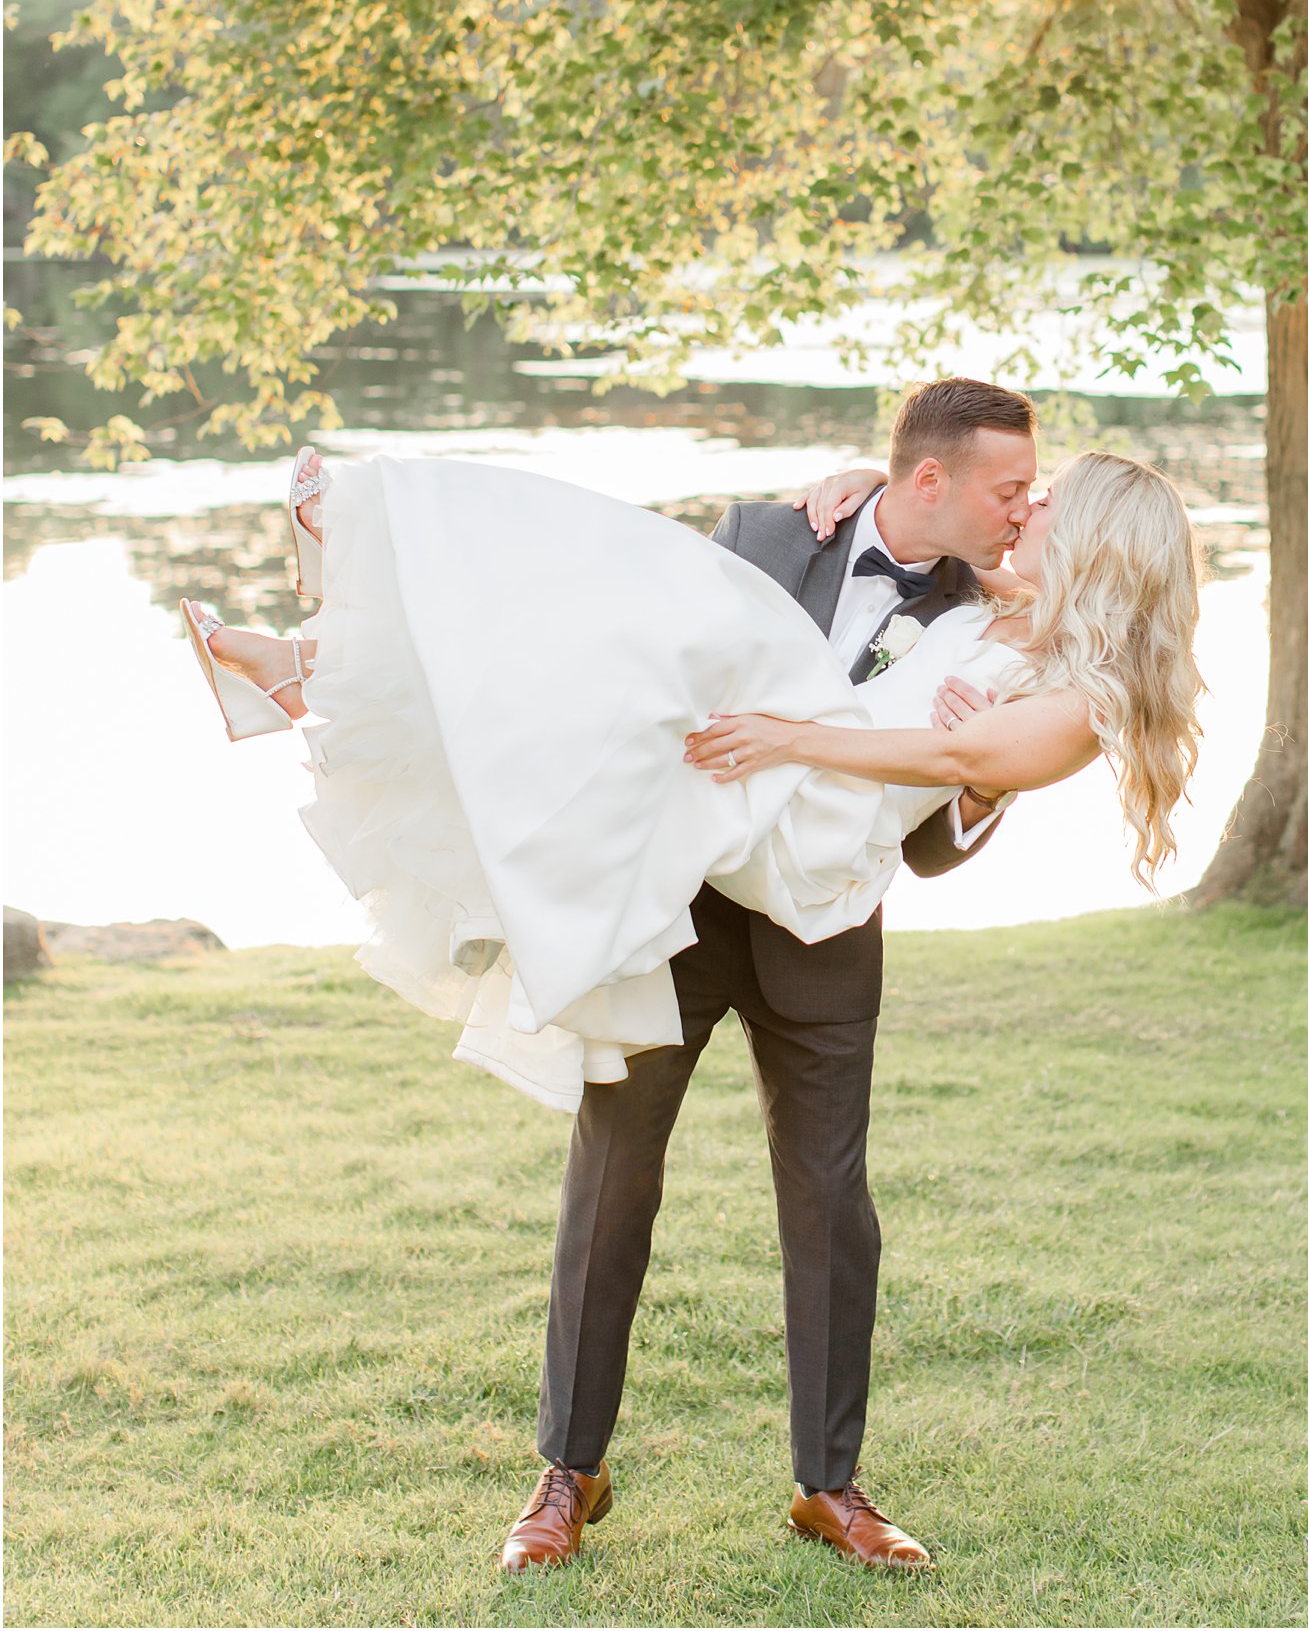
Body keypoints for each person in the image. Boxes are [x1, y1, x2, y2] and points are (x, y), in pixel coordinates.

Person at [181, 379, 1203, 1573]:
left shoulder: (1012, 616)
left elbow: (940, 803)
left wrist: (973, 793)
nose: (1023, 505)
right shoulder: (780, 532)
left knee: (830, 1206)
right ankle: (568, 1473)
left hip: (822, 918)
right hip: (688, 898)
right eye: (1010, 489)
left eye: (1039, 498)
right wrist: (847, 512)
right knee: (613, 1169)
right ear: (924, 481)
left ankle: (830, 1487)